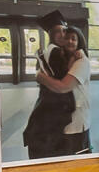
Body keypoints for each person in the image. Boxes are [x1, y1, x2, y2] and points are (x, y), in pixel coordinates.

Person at [23, 28, 89, 158]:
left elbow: (63, 87)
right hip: (63, 122)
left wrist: (40, 76)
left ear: (80, 41)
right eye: (66, 38)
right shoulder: (65, 58)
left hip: (76, 123)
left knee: (75, 159)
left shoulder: (82, 62)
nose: (69, 41)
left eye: (73, 39)